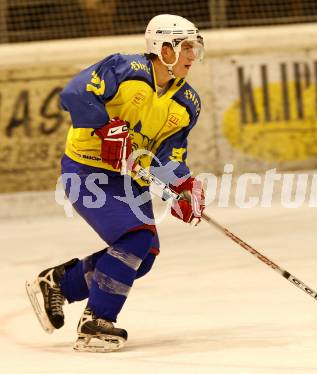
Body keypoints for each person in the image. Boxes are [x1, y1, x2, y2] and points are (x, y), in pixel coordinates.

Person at [25, 14, 205, 353]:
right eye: (186, 48)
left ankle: (59, 284)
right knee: (135, 239)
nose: (192, 56)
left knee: (145, 254)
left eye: (195, 48)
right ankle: (96, 322)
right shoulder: (125, 70)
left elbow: (169, 154)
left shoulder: (187, 103)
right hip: (87, 173)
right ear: (163, 48)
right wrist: (104, 125)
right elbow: (74, 94)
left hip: (128, 180)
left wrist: (183, 185)